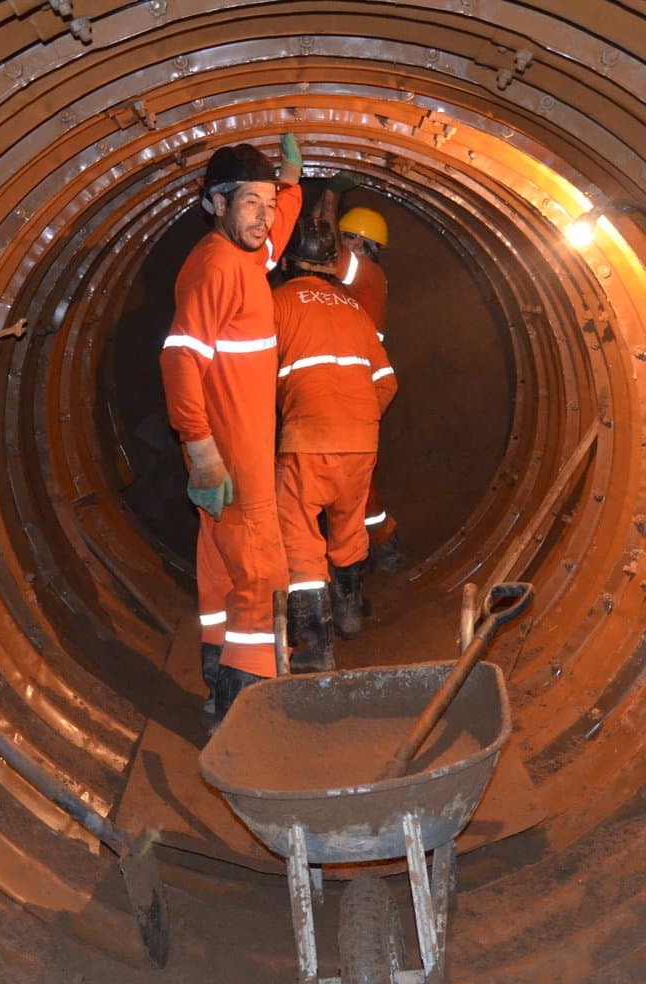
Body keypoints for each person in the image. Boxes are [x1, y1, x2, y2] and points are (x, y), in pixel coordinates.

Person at [160, 134, 303, 721]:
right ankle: (249, 714)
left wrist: (288, 186)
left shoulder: (247, 255)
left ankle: (217, 692)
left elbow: (274, 237)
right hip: (233, 463)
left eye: (267, 204)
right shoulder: (217, 269)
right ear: (215, 204)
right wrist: (201, 450)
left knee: (221, 574)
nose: (263, 217)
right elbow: (178, 357)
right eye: (251, 203)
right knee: (264, 576)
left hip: (233, 460)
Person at [272, 216, 397, 662]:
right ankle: (349, 613)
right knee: (348, 524)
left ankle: (314, 646)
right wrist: (357, 418)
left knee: (299, 534)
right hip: (361, 440)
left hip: (308, 438)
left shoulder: (278, 303)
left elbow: (253, 375)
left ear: (288, 260)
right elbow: (387, 382)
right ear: (331, 261)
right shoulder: (354, 309)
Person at [316, 176, 403, 573]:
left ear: (363, 245)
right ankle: (367, 547)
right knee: (344, 478)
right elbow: (317, 242)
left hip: (355, 393)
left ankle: (376, 546)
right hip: (335, 393)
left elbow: (326, 248)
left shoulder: (366, 275)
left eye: (348, 238)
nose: (340, 243)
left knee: (352, 481)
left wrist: (331, 197)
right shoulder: (334, 287)